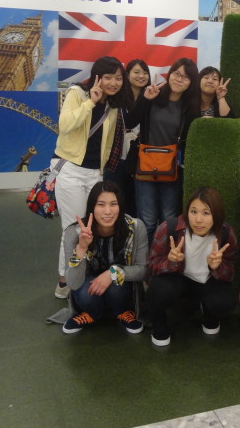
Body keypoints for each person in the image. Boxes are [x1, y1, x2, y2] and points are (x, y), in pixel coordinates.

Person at [53, 56, 127, 299]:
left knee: (93, 226)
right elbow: (65, 125)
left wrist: (102, 171)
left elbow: (107, 144)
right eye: (108, 77)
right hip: (71, 171)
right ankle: (65, 280)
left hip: (95, 173)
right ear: (97, 77)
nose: (113, 83)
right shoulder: (77, 93)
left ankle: (84, 274)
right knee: (73, 229)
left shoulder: (113, 106)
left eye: (118, 78)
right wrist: (90, 103)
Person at [144, 187, 237, 347]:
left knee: (224, 302)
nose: (198, 219)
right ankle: (159, 324)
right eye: (193, 212)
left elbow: (230, 273)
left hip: (207, 280)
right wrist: (170, 261)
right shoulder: (169, 228)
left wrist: (217, 266)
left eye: (206, 213)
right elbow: (151, 266)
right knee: (157, 292)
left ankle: (208, 310)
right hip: (177, 278)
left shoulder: (226, 233)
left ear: (216, 214)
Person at [126, 57, 199, 240]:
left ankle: (166, 257)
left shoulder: (190, 108)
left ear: (191, 83)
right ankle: (146, 257)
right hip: (145, 166)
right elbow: (129, 122)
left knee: (169, 218)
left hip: (172, 169)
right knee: (147, 220)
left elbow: (190, 141)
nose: (179, 79)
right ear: (170, 74)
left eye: (185, 77)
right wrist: (145, 99)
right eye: (176, 73)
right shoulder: (153, 95)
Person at [61, 181, 148, 335]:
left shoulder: (135, 227)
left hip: (120, 286)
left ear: (120, 206)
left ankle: (121, 311)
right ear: (92, 207)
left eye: (113, 204)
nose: (108, 211)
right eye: (101, 204)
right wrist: (81, 249)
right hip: (88, 284)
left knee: (116, 288)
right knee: (85, 294)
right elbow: (73, 283)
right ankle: (92, 313)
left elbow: (142, 271)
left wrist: (112, 273)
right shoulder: (74, 232)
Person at [104, 58, 149, 217]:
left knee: (136, 205)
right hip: (115, 159)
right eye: (136, 72)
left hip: (140, 160)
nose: (141, 76)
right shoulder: (117, 98)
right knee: (114, 201)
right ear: (127, 75)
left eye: (145, 73)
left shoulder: (151, 98)